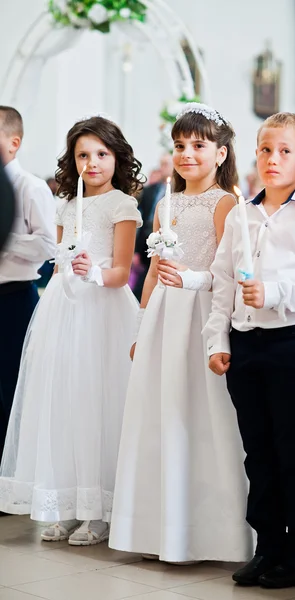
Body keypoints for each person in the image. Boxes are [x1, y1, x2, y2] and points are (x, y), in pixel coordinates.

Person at [204, 112, 295, 589]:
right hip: (246, 344)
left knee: (294, 449)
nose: (273, 159)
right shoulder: (242, 214)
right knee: (257, 450)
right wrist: (217, 339)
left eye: (285, 151)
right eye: (265, 149)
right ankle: (268, 545)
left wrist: (277, 291)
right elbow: (222, 281)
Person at [109, 103, 253, 563]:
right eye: (179, 146)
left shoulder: (226, 203)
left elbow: (223, 273)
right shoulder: (164, 203)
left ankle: (208, 533)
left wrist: (191, 280)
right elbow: (151, 272)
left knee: (200, 416)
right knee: (159, 414)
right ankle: (155, 529)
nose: (187, 154)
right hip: (163, 318)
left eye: (198, 145)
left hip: (200, 316)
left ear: (221, 153)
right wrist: (141, 322)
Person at [0, 116, 143, 546]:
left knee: (96, 402)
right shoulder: (65, 204)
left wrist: (94, 272)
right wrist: (67, 268)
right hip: (64, 308)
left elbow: (122, 273)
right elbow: (60, 261)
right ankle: (65, 503)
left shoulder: (123, 206)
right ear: (72, 160)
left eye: (101, 154)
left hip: (103, 311)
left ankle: (98, 511)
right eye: (83, 155)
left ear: (116, 157)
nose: (92, 163)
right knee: (61, 401)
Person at [0, 106, 56, 462]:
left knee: (10, 387)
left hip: (13, 298)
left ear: (13, 142)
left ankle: (7, 477)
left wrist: (6, 238)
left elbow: (48, 244)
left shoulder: (30, 187)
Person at [133, 153, 173, 299]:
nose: (163, 168)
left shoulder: (177, 191)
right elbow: (140, 221)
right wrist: (136, 251)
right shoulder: (149, 190)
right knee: (143, 279)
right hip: (146, 239)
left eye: (166, 164)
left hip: (166, 240)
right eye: (161, 164)